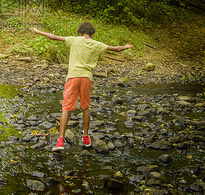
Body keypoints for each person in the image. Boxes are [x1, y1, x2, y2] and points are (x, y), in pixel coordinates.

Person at [29, 22, 133, 151]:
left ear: (79, 32)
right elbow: (116, 49)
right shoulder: (97, 44)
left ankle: (60, 140)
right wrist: (126, 46)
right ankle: (85, 136)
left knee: (66, 108)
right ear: (93, 34)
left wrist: (38, 31)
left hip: (73, 77)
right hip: (86, 78)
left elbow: (53, 37)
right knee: (85, 107)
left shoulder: (74, 40)